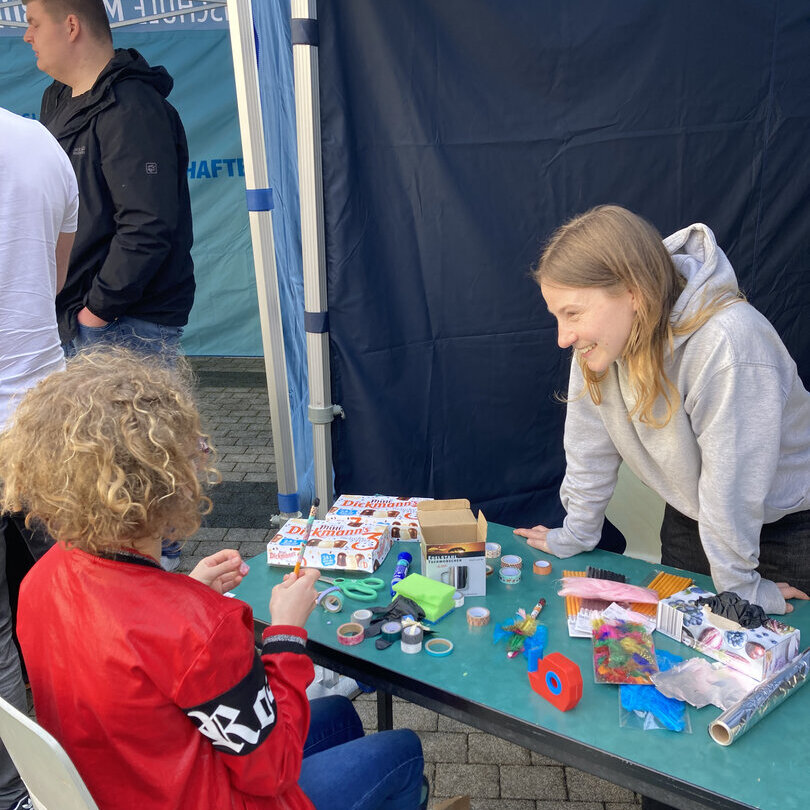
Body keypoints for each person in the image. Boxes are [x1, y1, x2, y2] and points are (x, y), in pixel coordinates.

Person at [0, 349, 426, 810]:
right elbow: (274, 768)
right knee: (402, 750)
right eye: (195, 451)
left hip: (122, 784)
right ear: (169, 483)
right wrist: (286, 635)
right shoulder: (201, 629)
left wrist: (184, 593)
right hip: (214, 795)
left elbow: (127, 646)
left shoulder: (40, 579)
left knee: (340, 714)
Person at [514, 205, 810, 617]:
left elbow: (733, 483)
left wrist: (742, 588)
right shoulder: (599, 344)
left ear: (633, 292)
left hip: (786, 529)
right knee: (679, 644)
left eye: (573, 313)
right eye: (557, 316)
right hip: (693, 518)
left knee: (776, 652)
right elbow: (588, 445)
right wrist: (578, 530)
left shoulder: (730, 343)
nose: (563, 337)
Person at [23, 0, 196, 570]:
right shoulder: (57, 102)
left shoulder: (133, 107)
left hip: (124, 326)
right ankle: (106, 613)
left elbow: (148, 226)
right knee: (93, 494)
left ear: (71, 25)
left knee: (141, 493)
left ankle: (161, 602)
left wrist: (96, 312)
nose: (26, 35)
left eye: (34, 22)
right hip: (77, 322)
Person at [0, 106, 78, 810]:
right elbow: (52, 282)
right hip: (43, 418)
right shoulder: (40, 144)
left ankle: (19, 792)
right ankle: (92, 755)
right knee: (79, 598)